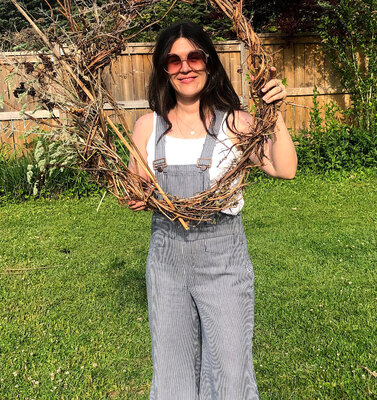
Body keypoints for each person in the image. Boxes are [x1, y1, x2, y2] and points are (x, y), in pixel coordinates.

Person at [127, 21, 297, 400]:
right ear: (163, 69)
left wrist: (276, 114)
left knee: (230, 368)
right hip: (166, 262)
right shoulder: (146, 127)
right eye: (173, 60)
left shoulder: (236, 123)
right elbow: (136, 185)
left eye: (193, 57)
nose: (185, 67)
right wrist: (135, 195)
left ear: (209, 62)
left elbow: (284, 168)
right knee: (172, 369)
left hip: (224, 263)